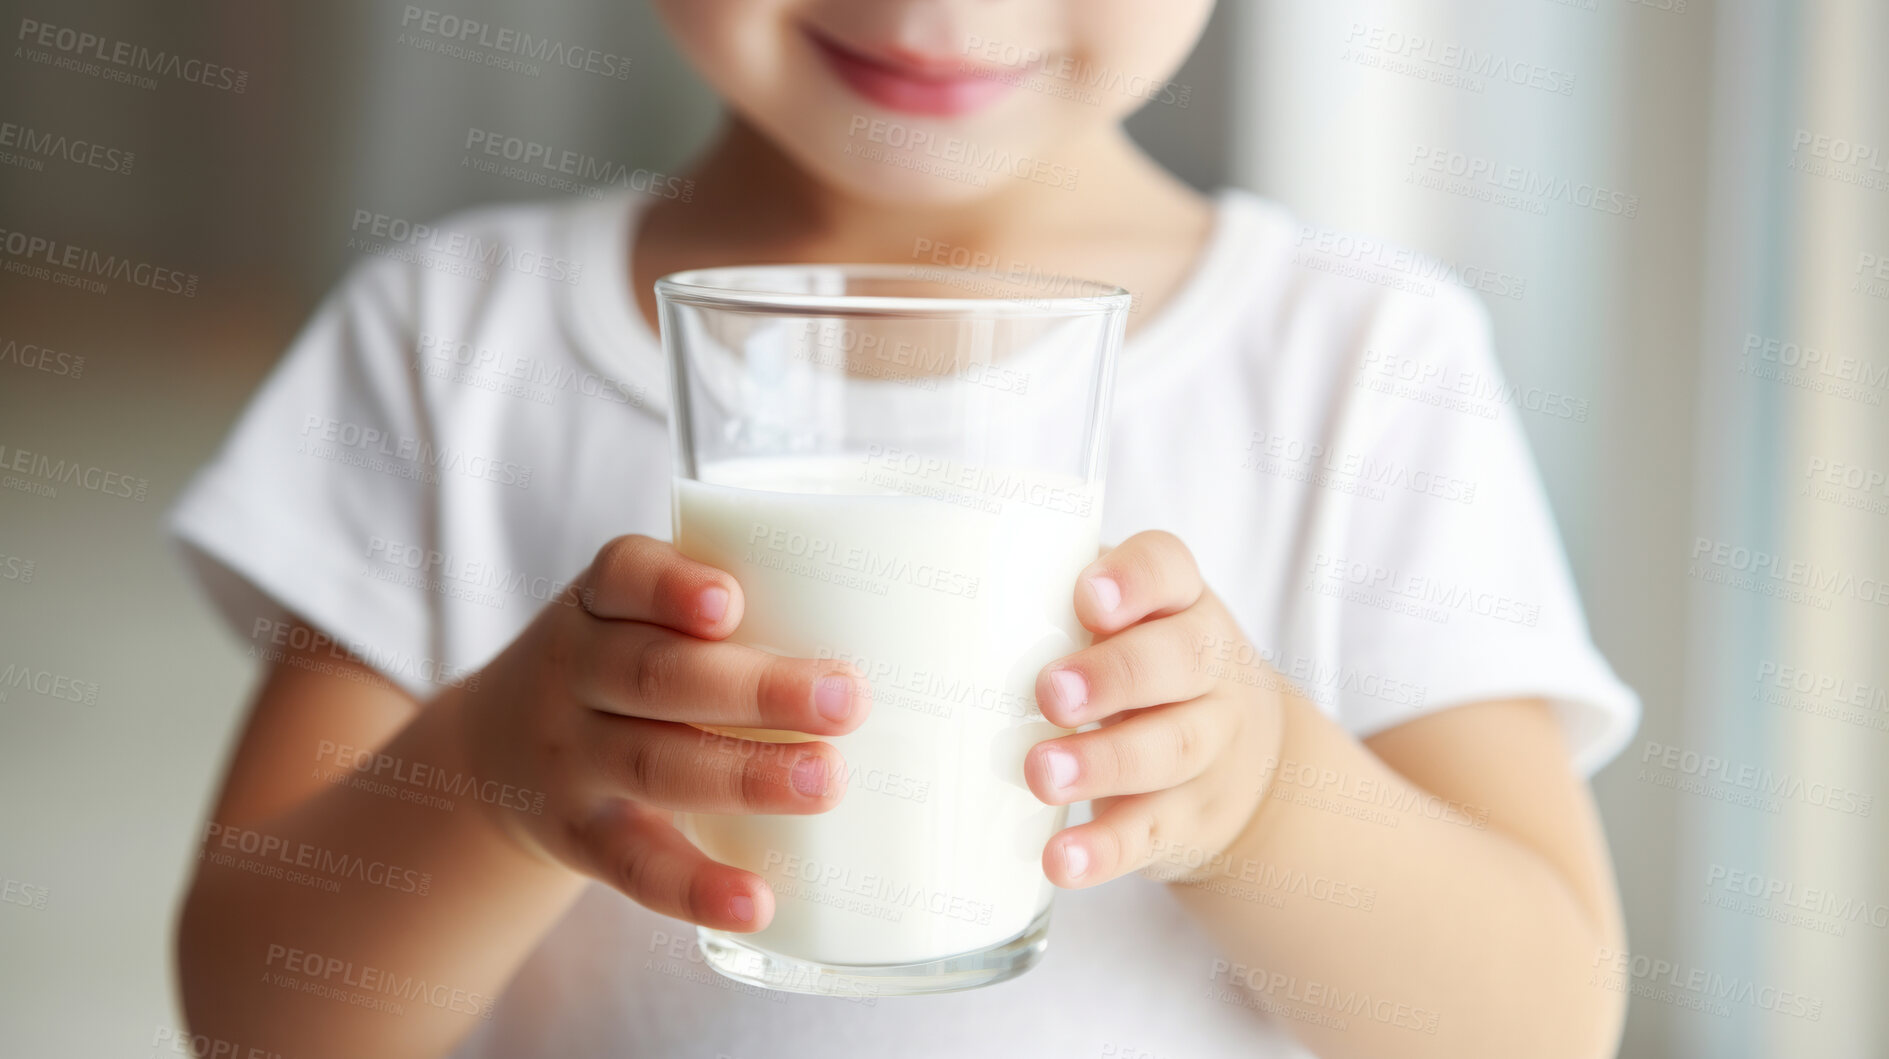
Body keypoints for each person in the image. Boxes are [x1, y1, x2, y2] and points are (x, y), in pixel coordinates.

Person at [169, 2, 1639, 1056]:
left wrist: (1257, 792)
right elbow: (255, 1015)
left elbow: (1536, 1022)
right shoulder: (446, 343)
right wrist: (495, 774)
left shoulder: (1358, 368)